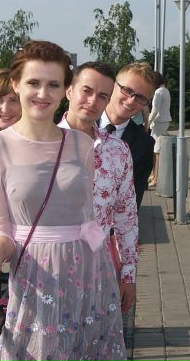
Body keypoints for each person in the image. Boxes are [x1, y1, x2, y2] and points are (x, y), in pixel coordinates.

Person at [0, 41, 125, 361]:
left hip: (90, 270)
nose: (42, 93)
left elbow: (87, 215)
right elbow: (0, 227)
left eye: (53, 84)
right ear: (16, 84)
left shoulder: (82, 144)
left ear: (65, 90)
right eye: (34, 82)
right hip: (37, 275)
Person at [57, 61, 139, 313]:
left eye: (102, 96)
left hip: (99, 272)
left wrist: (128, 274)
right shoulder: (42, 147)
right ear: (69, 91)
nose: (93, 101)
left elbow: (126, 216)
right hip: (50, 271)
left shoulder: (118, 151)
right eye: (87, 91)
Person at [99, 62, 158, 209]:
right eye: (127, 90)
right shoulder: (79, 124)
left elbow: (132, 202)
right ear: (113, 85)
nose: (131, 100)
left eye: (141, 97)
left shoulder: (144, 144)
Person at [146, 72, 171, 188]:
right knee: (157, 150)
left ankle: (156, 178)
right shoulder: (165, 90)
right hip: (164, 121)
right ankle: (154, 175)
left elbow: (155, 109)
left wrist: (148, 121)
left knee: (157, 151)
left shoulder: (158, 92)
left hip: (159, 122)